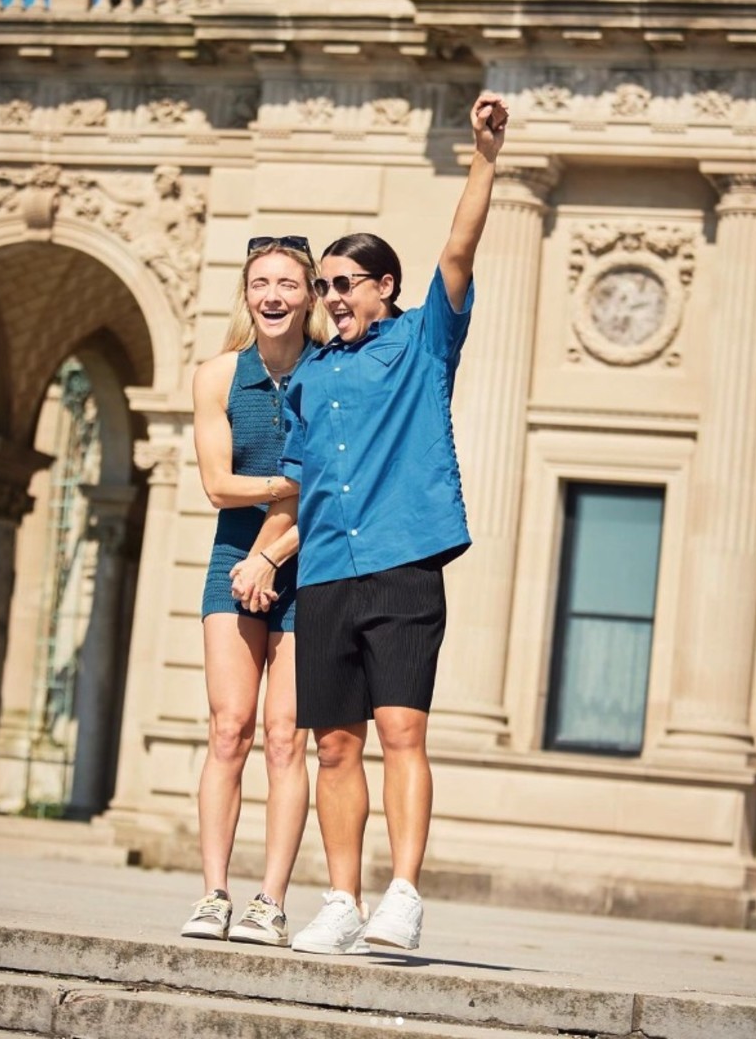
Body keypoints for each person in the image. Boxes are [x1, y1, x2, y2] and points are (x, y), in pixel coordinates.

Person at [240, 92, 508, 955]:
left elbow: (458, 248)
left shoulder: (424, 341)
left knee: (402, 731)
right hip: (323, 577)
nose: (329, 298)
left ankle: (403, 895)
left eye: (341, 285)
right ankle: (343, 901)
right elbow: (303, 489)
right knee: (335, 745)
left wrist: (485, 158)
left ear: (384, 287)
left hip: (402, 564)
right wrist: (264, 554)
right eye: (322, 286)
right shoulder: (312, 378)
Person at [180, 234, 325, 947]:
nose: (273, 295)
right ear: (247, 294)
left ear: (310, 295)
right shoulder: (215, 376)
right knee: (229, 728)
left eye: (288, 284)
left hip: (309, 564)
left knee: (283, 738)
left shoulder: (332, 372)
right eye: (261, 283)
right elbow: (216, 486)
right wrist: (287, 488)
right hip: (232, 558)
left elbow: (337, 495)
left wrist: (275, 550)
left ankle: (270, 901)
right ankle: (213, 894)